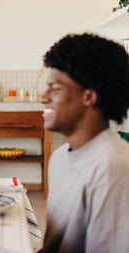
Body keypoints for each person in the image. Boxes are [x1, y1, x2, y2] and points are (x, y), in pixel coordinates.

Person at [39, 33, 129, 253]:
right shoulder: (60, 157)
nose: (43, 97)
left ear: (89, 97)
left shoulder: (112, 168)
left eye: (56, 88)